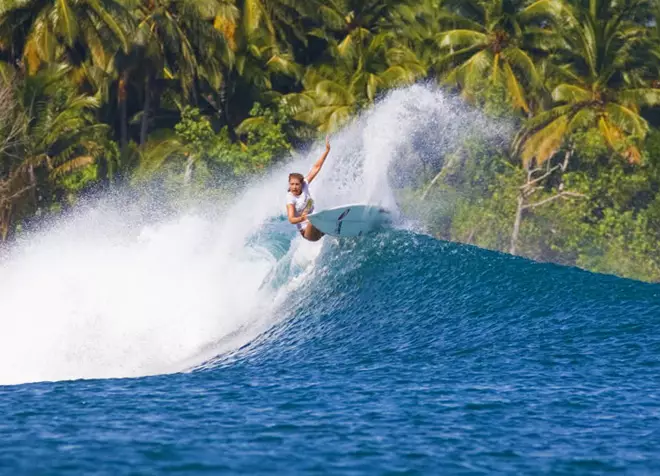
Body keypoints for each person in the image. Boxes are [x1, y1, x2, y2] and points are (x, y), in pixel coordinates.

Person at [286, 136, 331, 241]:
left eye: (296, 184)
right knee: (312, 220)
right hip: (308, 233)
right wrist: (303, 218)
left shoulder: (305, 183)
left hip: (318, 227)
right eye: (291, 184)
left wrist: (327, 151)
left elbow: (316, 167)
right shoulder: (290, 198)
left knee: (320, 213)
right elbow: (291, 219)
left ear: (302, 184)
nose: (294, 187)